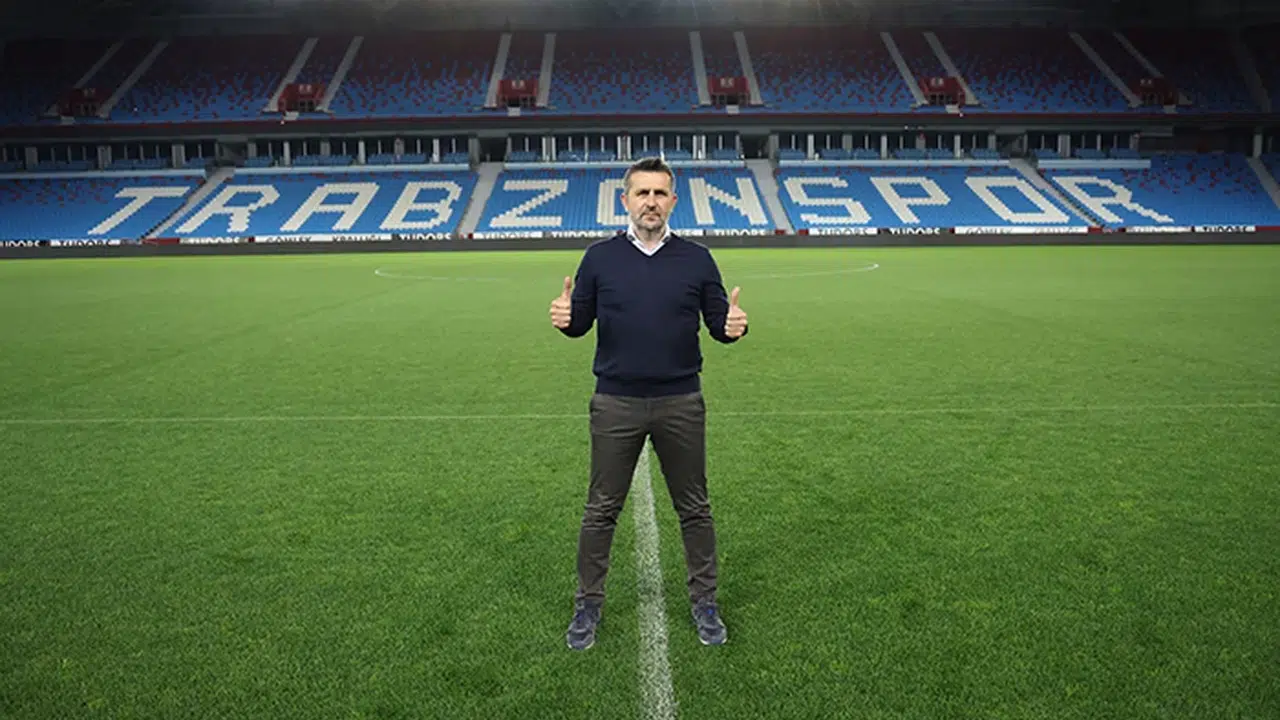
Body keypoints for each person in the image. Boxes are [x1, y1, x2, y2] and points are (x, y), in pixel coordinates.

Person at [549, 156, 749, 651]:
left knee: (694, 509)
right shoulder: (599, 258)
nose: (651, 202)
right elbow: (580, 323)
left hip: (680, 401)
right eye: (642, 193)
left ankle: (705, 602)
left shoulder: (697, 259)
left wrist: (733, 327)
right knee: (601, 510)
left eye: (660, 193)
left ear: (673, 201)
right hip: (615, 402)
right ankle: (587, 604)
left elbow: (718, 324)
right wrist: (566, 318)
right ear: (626, 200)